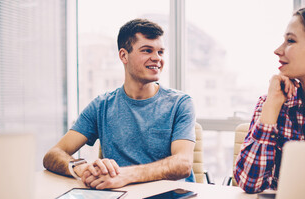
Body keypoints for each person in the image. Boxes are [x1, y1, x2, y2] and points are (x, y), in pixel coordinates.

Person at [43, 18, 196, 189]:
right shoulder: (101, 106)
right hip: (118, 197)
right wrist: (82, 168)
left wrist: (125, 175)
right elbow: (53, 155)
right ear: (124, 55)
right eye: (147, 50)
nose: (157, 58)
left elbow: (183, 164)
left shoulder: (180, 103)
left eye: (160, 52)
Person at [234, 7, 305, 194]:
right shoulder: (273, 103)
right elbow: (249, 183)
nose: (278, 50)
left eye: (290, 41)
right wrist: (272, 107)